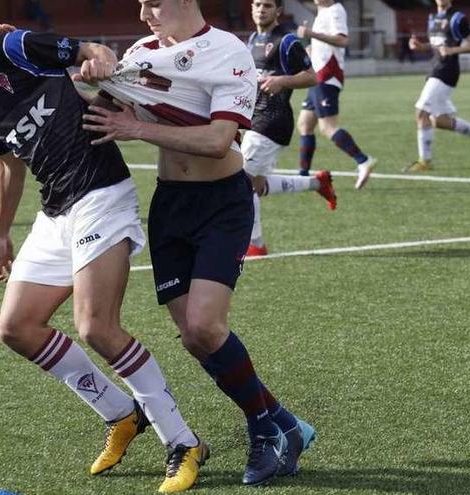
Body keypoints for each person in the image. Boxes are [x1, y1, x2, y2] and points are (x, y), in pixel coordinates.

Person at [0, 1, 205, 492]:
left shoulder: (12, 46)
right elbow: (7, 164)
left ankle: (183, 440)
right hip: (56, 209)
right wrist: (0, 233)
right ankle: (122, 415)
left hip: (100, 193)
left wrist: (98, 61)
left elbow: (92, 49)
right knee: (16, 327)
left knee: (95, 326)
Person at [87, 0, 315, 486]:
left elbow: (217, 140)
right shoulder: (143, 51)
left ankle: (263, 430)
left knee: (206, 326)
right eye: (141, 4)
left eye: (154, 2)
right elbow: (100, 108)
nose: (145, 12)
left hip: (221, 203)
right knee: (193, 338)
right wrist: (28, 59)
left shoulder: (227, 50)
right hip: (170, 204)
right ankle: (287, 425)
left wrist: (133, 127)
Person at [242, 0, 335, 257]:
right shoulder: (252, 39)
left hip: (274, 120)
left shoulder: (286, 40)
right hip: (254, 119)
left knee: (241, 182)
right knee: (255, 184)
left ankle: (256, 245)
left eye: (268, 5)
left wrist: (282, 80)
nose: (262, 9)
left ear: (278, 11)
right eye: (257, 4)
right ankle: (317, 183)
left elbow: (312, 76)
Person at [295, 0, 376, 189]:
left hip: (327, 75)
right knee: (305, 123)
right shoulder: (322, 12)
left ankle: (363, 160)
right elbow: (326, 44)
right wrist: (311, 49)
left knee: (327, 127)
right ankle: (303, 175)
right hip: (318, 74)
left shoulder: (335, 10)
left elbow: (342, 39)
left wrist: (310, 34)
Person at [404, 0, 470, 172]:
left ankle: (425, 162)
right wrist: (421, 46)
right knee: (438, 121)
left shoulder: (457, 18)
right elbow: (438, 44)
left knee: (421, 112)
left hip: (447, 71)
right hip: (435, 68)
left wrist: (452, 51)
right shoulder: (433, 18)